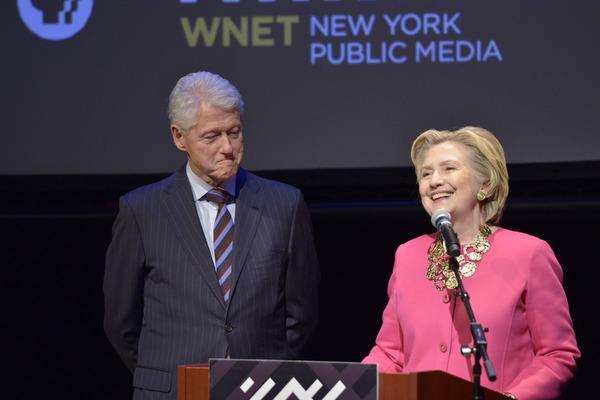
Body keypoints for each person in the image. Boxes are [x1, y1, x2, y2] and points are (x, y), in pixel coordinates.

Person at [103, 71, 320, 400]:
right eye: (211, 136)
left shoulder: (284, 205)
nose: (228, 148)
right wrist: (170, 378)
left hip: (261, 390)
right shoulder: (141, 211)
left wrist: (268, 374)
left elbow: (301, 314)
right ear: (179, 137)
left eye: (234, 132)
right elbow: (121, 323)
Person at [363, 127, 580, 400]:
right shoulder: (407, 255)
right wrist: (354, 387)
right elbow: (390, 352)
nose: (434, 181)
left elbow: (557, 355)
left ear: (485, 184)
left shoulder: (529, 252)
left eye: (449, 168)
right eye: (426, 174)